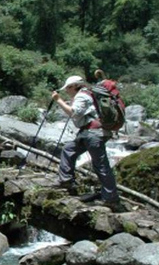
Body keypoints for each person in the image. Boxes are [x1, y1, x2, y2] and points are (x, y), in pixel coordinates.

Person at [51, 75, 124, 211]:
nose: (66, 91)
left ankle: (111, 198)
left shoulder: (82, 96)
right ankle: (66, 180)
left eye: (67, 88)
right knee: (69, 149)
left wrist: (58, 100)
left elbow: (73, 112)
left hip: (92, 134)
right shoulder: (89, 93)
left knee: (101, 166)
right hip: (91, 133)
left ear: (74, 86)